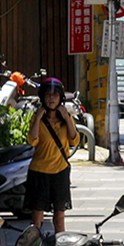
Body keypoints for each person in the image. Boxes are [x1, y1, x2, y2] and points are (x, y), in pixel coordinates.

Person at [27, 77, 77, 233]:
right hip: (39, 172)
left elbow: (75, 140)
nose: (51, 98)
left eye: (55, 95)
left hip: (60, 171)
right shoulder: (38, 118)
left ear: (60, 98)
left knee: (59, 217)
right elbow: (32, 141)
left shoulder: (66, 118)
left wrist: (67, 117)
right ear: (43, 97)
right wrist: (38, 118)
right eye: (48, 94)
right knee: (37, 217)